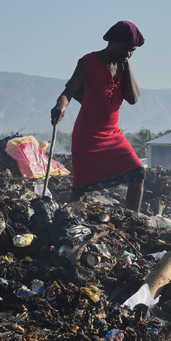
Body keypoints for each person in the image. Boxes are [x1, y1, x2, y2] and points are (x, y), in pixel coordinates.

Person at [50, 21, 146, 212]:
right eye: (124, 48)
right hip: (87, 137)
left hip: (113, 135)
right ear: (111, 41)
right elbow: (68, 92)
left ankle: (132, 220)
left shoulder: (123, 67)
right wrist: (60, 106)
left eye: (132, 50)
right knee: (80, 188)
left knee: (138, 173)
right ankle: (65, 218)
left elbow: (133, 98)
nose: (127, 53)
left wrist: (127, 65)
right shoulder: (88, 62)